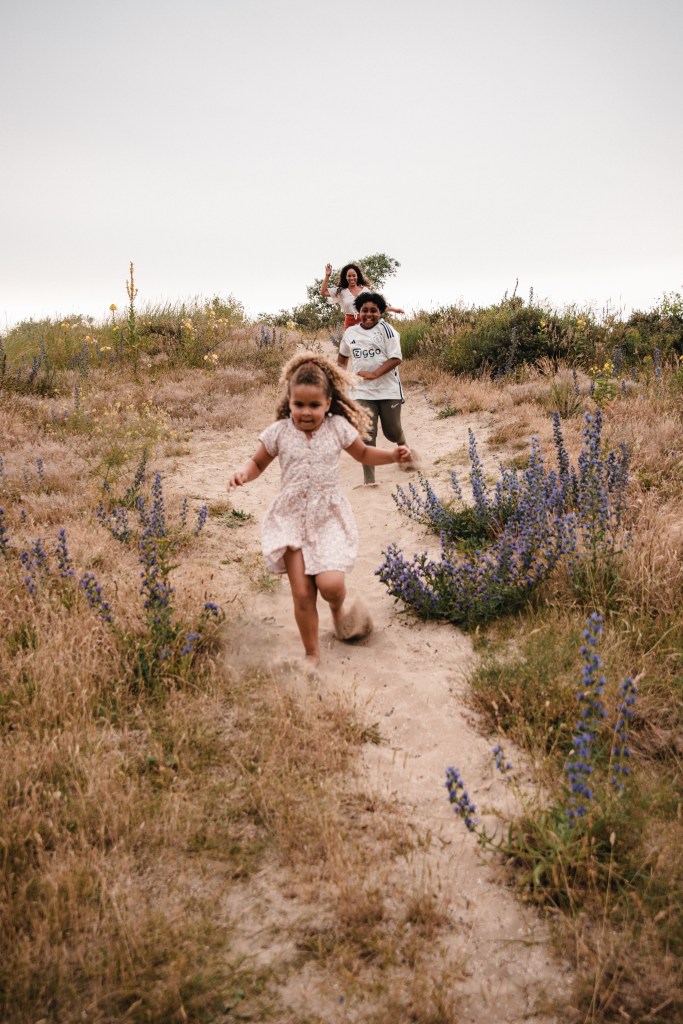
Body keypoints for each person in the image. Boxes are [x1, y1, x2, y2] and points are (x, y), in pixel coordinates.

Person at [227, 352, 412, 666]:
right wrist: (244, 473)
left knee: (330, 585)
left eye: (314, 405)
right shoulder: (279, 432)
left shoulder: (338, 428)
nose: (306, 412)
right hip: (290, 519)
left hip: (327, 518)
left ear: (328, 403)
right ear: (290, 401)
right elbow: (258, 461)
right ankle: (312, 653)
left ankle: (339, 610)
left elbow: (364, 453)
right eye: (299, 405)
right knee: (302, 593)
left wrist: (393, 455)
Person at [337, 291, 416, 486]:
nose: (369, 314)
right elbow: (342, 357)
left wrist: (374, 374)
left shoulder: (387, 330)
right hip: (361, 391)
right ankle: (369, 481)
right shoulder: (350, 333)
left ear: (380, 312)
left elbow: (396, 358)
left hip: (388, 390)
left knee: (392, 431)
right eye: (365, 310)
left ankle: (405, 452)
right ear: (358, 311)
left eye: (374, 310)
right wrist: (341, 377)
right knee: (367, 433)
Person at [321, 262, 404, 330]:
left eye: (354, 275)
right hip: (349, 324)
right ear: (345, 277)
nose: (352, 278)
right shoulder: (341, 290)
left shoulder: (365, 291)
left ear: (357, 276)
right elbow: (323, 292)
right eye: (349, 276)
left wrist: (395, 310)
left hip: (365, 322)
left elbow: (377, 305)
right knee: (351, 348)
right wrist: (327, 276)